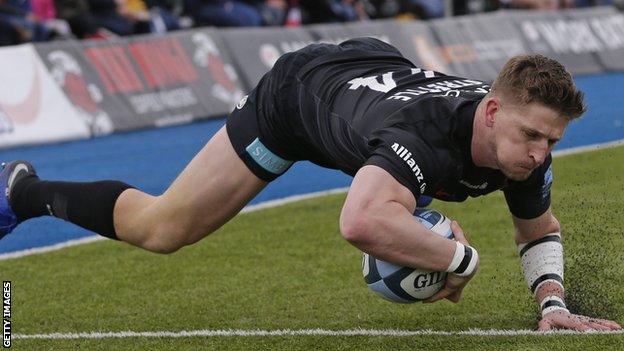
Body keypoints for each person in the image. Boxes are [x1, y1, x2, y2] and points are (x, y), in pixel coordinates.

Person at [0, 37, 620, 332]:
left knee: (408, 197)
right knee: (162, 230)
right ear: (490, 111)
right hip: (295, 101)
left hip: (370, 82)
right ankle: (21, 190)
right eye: (531, 137)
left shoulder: (521, 147)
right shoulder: (425, 134)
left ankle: (416, 207)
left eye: (551, 142)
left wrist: (553, 305)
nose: (540, 154)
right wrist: (461, 257)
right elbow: (357, 223)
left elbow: (538, 226)